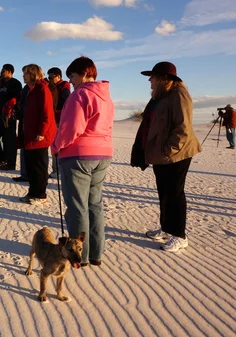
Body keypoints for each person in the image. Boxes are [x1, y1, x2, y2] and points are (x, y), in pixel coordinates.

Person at [131, 61, 202, 252]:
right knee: (164, 192)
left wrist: (167, 151)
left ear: (164, 79)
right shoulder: (160, 96)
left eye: (153, 77)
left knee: (174, 194)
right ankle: (166, 227)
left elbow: (183, 128)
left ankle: (179, 235)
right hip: (161, 155)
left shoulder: (179, 94)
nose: (149, 80)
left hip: (176, 155)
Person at [51, 57, 114, 266]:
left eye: (73, 76)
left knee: (78, 206)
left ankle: (81, 256)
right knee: (94, 204)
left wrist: (56, 145)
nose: (72, 81)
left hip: (78, 155)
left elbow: (71, 128)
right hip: (102, 154)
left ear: (86, 73)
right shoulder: (106, 97)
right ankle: (96, 252)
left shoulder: (80, 94)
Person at [20, 64, 56, 206]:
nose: (24, 75)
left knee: (38, 166)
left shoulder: (42, 89)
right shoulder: (30, 90)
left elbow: (47, 112)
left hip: (39, 135)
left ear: (33, 74)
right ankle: (32, 192)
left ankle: (41, 195)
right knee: (30, 165)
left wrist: (42, 131)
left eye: (26, 73)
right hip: (29, 132)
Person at [47, 67, 72, 178]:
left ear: (58, 76)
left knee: (57, 146)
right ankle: (56, 170)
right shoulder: (52, 87)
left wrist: (59, 113)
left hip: (59, 121)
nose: (50, 79)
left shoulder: (64, 88)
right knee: (55, 146)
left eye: (51, 77)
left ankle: (57, 171)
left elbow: (67, 103)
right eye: (48, 77)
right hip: (53, 120)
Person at [12, 83, 31, 182]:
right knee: (23, 147)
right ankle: (24, 174)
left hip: (30, 122)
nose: (24, 76)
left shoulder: (39, 89)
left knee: (31, 151)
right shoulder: (25, 88)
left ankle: (29, 176)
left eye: (26, 74)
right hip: (23, 120)